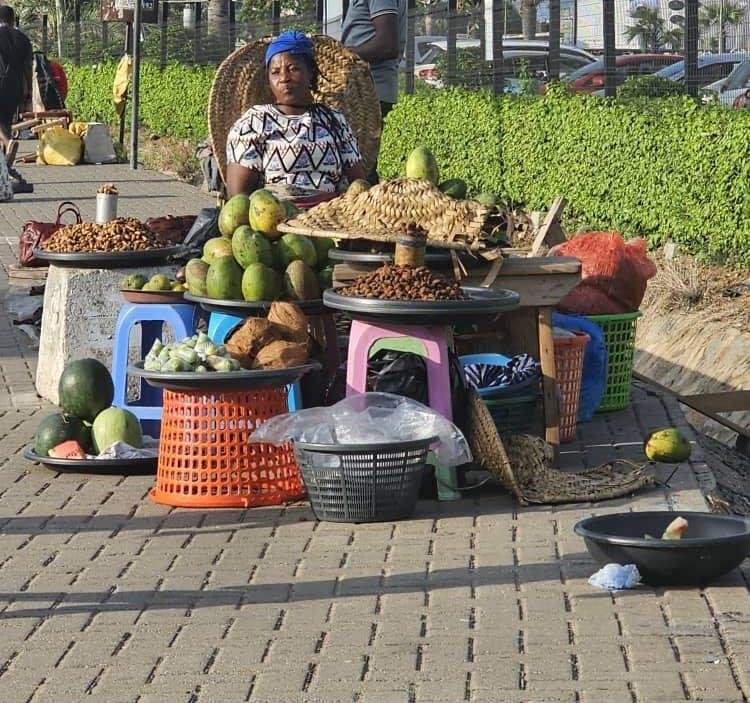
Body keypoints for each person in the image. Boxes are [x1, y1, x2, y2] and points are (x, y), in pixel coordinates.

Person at [226, 30, 366, 198]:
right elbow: (238, 197)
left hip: (331, 217)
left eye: (293, 69)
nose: (284, 78)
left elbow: (359, 186)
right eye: (275, 72)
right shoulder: (255, 122)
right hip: (275, 217)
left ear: (311, 72)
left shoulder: (334, 120)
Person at [341, 0, 406, 182]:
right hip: (361, 90)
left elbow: (387, 45)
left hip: (369, 92)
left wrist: (345, 56)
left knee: (359, 168)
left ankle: (366, 207)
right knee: (359, 165)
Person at [0, 5, 33, 193]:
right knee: (5, 123)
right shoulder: (23, 38)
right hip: (15, 88)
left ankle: (8, 142)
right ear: (13, 20)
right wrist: (28, 93)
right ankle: (4, 174)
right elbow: (29, 68)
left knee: (2, 131)